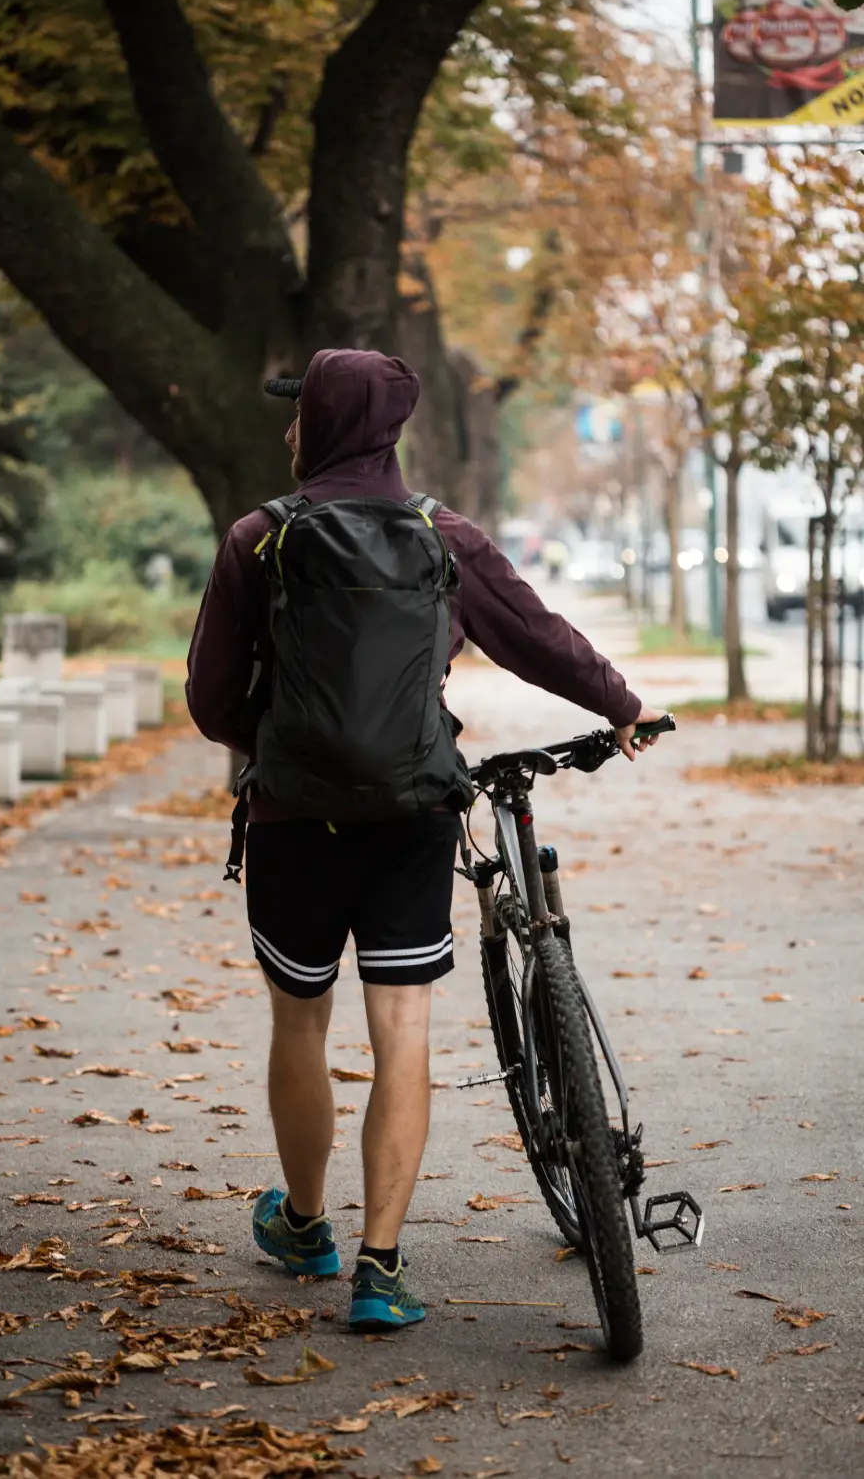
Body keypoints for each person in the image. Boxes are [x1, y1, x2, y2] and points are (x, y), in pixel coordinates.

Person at [186, 348, 663, 1332]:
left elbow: (206, 698)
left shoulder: (255, 540)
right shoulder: (442, 535)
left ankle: (307, 1225)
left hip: (291, 824)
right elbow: (535, 637)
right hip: (411, 816)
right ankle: (379, 1267)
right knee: (400, 1031)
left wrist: (271, 744)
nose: (289, 432)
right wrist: (618, 704)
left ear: (324, 425)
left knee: (299, 1024)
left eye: (300, 415)